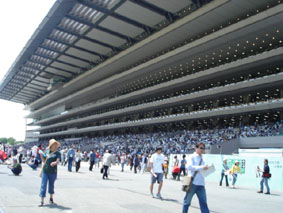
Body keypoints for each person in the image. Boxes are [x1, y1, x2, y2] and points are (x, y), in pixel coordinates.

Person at [182, 142, 209, 213]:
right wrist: (202, 167)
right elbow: (189, 167)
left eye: (203, 148)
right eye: (200, 148)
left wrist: (207, 169)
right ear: (196, 148)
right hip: (192, 182)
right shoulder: (191, 156)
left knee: (203, 203)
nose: (202, 150)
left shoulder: (202, 158)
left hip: (201, 184)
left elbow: (202, 169)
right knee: (187, 201)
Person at [39, 139, 61, 206]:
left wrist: (55, 162)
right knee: (43, 185)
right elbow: (43, 161)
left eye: (56, 144)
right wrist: (41, 156)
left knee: (51, 185)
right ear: (51, 145)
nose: (55, 146)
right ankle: (42, 200)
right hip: (45, 171)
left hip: (53, 172)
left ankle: (51, 197)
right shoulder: (46, 152)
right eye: (54, 144)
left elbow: (58, 161)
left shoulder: (57, 153)